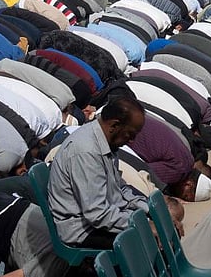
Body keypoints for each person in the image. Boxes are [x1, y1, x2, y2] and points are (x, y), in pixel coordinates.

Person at [47, 97, 147, 249]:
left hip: (103, 216)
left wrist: (151, 210)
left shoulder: (107, 142)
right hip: (82, 229)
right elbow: (97, 214)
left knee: (161, 230)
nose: (132, 141)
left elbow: (119, 189)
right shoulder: (87, 152)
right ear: (114, 125)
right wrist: (142, 225)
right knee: (149, 243)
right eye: (130, 134)